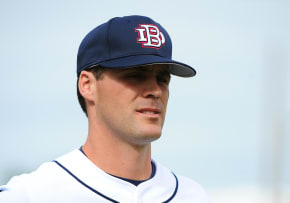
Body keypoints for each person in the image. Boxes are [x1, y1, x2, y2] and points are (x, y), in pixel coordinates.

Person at [0, 15, 210, 203]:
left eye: (163, 78)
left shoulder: (192, 196)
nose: (155, 90)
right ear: (87, 85)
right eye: (135, 75)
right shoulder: (31, 195)